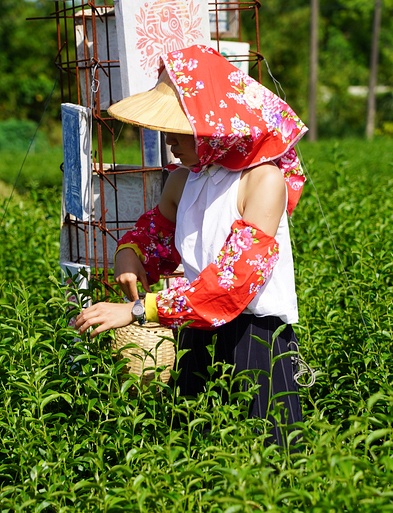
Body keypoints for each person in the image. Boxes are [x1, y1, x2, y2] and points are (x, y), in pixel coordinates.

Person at [72, 44, 309, 444]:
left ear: (214, 124)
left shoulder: (263, 181)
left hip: (255, 338)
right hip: (195, 333)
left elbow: (230, 284)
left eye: (179, 129)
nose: (168, 141)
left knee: (271, 459)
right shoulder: (186, 179)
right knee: (196, 454)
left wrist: (138, 309)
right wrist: (130, 254)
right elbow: (155, 236)